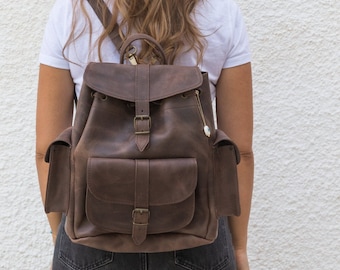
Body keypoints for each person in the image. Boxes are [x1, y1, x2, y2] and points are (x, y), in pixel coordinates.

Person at [36, 0, 254, 269]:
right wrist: (239, 247)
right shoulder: (221, 11)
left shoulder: (71, 11)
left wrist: (61, 236)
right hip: (198, 234)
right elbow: (239, 152)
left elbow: (46, 149)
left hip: (91, 232)